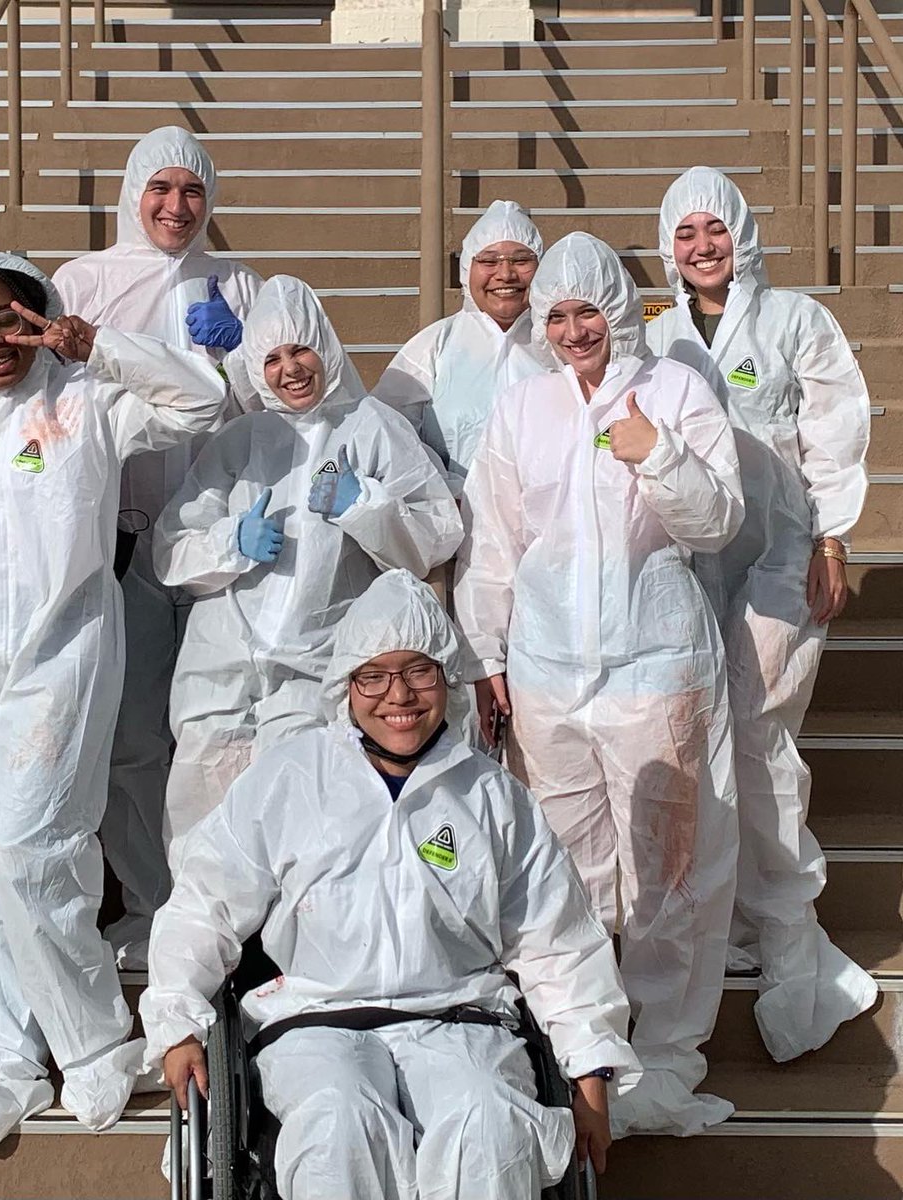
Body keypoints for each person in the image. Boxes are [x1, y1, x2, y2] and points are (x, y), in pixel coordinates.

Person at [141, 569, 639, 1200]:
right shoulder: (292, 779)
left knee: (490, 1127)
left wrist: (590, 1069)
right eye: (373, 676)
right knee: (339, 1127)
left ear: (446, 679)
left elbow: (557, 939)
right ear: (345, 686)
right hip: (316, 1021)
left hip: (462, 1020)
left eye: (418, 671)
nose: (397, 695)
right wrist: (178, 1025)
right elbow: (203, 904)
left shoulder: (492, 797)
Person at [0, 250, 227, 1155]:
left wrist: (95, 347)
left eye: (9, 318)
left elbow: (200, 402)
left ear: (41, 316)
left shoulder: (87, 400)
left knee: (34, 849)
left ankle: (93, 1038)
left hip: (63, 659)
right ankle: (5, 1053)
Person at [455, 232, 744, 1137]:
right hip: (545, 671)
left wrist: (656, 456)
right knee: (567, 867)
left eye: (588, 312)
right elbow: (494, 541)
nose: (575, 330)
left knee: (671, 870)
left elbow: (718, 523)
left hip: (656, 666)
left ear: (620, 309)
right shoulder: (524, 405)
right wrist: (489, 656)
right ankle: (581, 1042)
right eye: (558, 316)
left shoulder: (674, 392)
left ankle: (667, 1053)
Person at [646, 166, 877, 1062]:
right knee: (704, 734)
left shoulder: (795, 321)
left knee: (759, 731)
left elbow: (835, 429)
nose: (703, 248)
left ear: (741, 233)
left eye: (716, 230)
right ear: (669, 248)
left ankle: (787, 930)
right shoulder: (659, 336)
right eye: (686, 235)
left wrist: (830, 539)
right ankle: (738, 909)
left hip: (781, 558)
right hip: (692, 564)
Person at [154, 276, 463, 866]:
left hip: (312, 668)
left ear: (327, 348)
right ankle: (205, 953)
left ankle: (286, 954)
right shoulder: (242, 438)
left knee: (299, 822)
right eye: (270, 357)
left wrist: (365, 506)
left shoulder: (372, 427)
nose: (289, 369)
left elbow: (434, 538)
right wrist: (231, 541)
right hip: (220, 668)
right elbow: (171, 550)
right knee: (202, 820)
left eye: (301, 351)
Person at [53, 126, 263, 970]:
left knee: (220, 734)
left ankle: (231, 905)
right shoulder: (84, 281)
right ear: (132, 193)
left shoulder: (239, 283)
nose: (176, 208)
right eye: (161, 190)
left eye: (193, 192)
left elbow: (276, 393)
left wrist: (235, 355)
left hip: (223, 543)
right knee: (134, 736)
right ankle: (150, 901)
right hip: (120, 539)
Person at [375, 200, 554, 495]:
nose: (505, 274)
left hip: (549, 525)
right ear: (467, 268)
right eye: (489, 261)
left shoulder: (563, 344)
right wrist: (441, 491)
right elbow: (386, 430)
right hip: (459, 526)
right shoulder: (434, 345)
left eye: (521, 260)